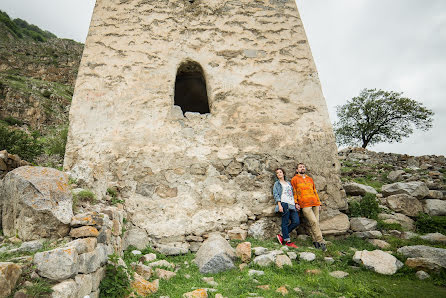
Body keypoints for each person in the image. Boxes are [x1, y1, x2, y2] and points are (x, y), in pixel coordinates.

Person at [291, 163, 326, 251]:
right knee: (313, 222)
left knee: (315, 223)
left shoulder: (310, 179)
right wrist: (296, 203)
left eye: (303, 167)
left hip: (315, 203)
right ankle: (321, 241)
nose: (302, 168)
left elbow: (314, 190)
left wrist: (319, 203)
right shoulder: (294, 179)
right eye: (300, 167)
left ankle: (315, 242)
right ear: (297, 170)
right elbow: (294, 192)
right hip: (305, 204)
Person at [273, 168, 300, 248]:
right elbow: (276, 194)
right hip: (284, 203)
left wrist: (295, 203)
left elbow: (292, 194)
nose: (279, 174)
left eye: (280, 172)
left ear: (283, 173)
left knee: (296, 222)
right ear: (277, 176)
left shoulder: (288, 183)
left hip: (291, 204)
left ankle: (282, 235)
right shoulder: (277, 184)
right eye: (277, 173)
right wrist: (279, 205)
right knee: (285, 222)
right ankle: (288, 241)